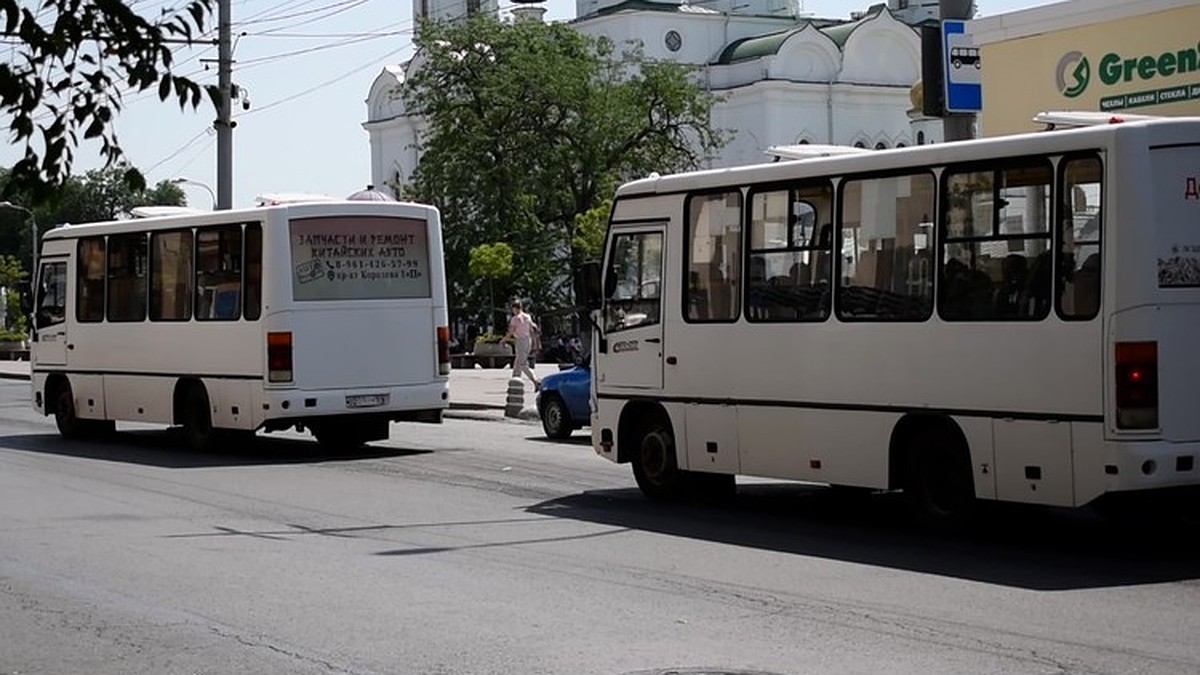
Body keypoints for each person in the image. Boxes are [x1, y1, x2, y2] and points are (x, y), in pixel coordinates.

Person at [502, 300, 541, 389]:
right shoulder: (528, 317)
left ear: (515, 308)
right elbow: (533, 330)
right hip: (528, 340)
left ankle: (535, 381)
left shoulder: (515, 319)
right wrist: (535, 343)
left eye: (513, 309)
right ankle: (515, 382)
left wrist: (504, 340)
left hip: (520, 341)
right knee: (517, 363)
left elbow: (511, 332)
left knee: (522, 363)